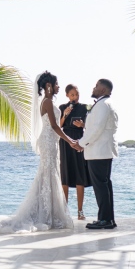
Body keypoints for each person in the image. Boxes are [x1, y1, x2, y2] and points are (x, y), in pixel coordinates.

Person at [0, 71, 74, 233]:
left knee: (49, 173)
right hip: (48, 141)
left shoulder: (48, 101)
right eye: (56, 84)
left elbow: (56, 125)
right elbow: (54, 126)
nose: (58, 86)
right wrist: (70, 141)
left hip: (51, 141)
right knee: (48, 173)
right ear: (48, 85)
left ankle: (48, 211)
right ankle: (45, 213)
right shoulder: (48, 102)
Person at [70, 78, 118, 230]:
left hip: (99, 152)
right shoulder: (104, 104)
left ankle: (104, 219)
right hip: (101, 151)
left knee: (101, 186)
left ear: (103, 90)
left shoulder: (102, 105)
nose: (94, 87)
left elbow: (96, 129)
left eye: (96, 86)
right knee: (104, 185)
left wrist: (81, 143)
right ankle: (108, 219)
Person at [58, 84, 91, 219]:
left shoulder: (85, 108)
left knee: (79, 175)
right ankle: (65, 212)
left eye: (77, 94)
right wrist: (65, 115)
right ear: (67, 95)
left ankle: (80, 211)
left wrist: (82, 125)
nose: (75, 97)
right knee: (65, 175)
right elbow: (58, 125)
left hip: (78, 140)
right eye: (72, 95)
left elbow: (91, 126)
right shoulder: (61, 108)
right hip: (65, 142)